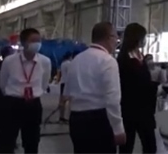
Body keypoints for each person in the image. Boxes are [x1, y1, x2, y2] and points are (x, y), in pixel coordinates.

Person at [66, 22, 126, 153]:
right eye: (116, 38)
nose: (116, 42)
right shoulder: (108, 61)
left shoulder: (76, 60)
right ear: (108, 38)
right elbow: (112, 99)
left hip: (76, 119)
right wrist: (118, 128)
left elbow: (68, 91)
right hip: (98, 120)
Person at [0, 28, 52, 154]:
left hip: (33, 104)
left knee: (32, 140)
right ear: (23, 42)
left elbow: (44, 84)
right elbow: (3, 83)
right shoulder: (10, 61)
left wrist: (35, 93)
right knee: (6, 139)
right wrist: (13, 94)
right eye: (33, 41)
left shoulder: (45, 61)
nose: (37, 44)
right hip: (12, 103)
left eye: (38, 41)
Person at [117, 23, 160, 153]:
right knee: (127, 147)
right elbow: (135, 84)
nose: (145, 40)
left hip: (144, 110)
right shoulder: (125, 59)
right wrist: (155, 88)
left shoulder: (139, 56)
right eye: (143, 37)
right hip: (131, 110)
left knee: (150, 146)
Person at [57, 52, 74, 123]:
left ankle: (61, 116)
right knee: (70, 101)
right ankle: (69, 116)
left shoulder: (63, 63)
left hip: (62, 82)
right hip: (67, 83)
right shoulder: (69, 64)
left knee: (62, 101)